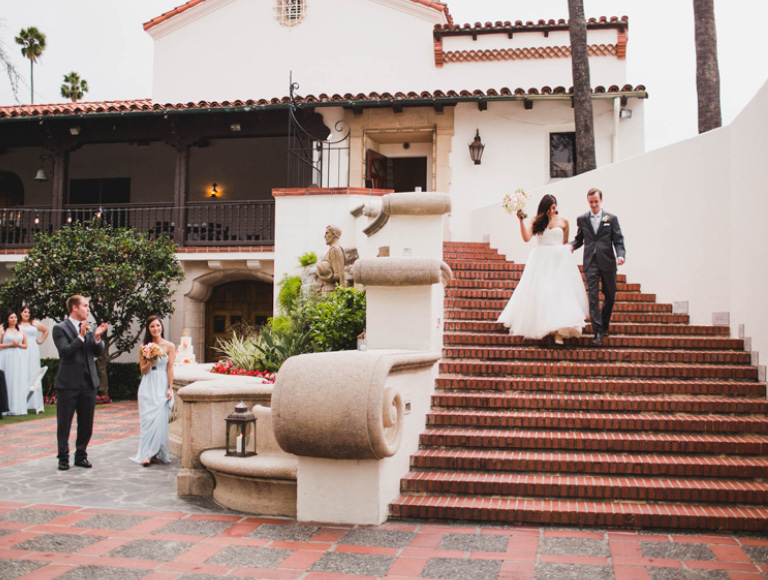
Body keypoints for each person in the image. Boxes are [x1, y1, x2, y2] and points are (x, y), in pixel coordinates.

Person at [497, 195, 588, 344]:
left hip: (559, 261)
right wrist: (520, 220)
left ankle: (559, 330)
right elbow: (526, 238)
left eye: (555, 207)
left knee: (559, 294)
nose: (554, 210)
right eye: (551, 208)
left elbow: (565, 243)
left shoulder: (563, 221)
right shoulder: (536, 221)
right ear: (545, 208)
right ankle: (546, 327)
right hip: (541, 261)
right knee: (543, 293)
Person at [52, 295, 108, 471]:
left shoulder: (89, 328)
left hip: (88, 383)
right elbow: (66, 352)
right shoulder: (59, 328)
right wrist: (81, 336)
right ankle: (63, 457)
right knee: (64, 423)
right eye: (85, 306)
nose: (88, 309)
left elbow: (98, 352)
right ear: (74, 308)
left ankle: (81, 455)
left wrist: (97, 337)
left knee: (86, 423)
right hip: (68, 383)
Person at [571, 187, 626, 345]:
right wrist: (572, 246)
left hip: (608, 261)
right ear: (588, 202)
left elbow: (618, 239)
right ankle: (597, 331)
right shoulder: (582, 219)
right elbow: (579, 239)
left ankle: (604, 325)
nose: (593, 205)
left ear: (601, 200)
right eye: (591, 202)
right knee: (593, 297)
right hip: (591, 262)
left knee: (610, 295)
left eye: (596, 201)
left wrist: (620, 255)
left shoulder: (610, 218)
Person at [130, 315, 175, 467]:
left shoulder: (169, 346)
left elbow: (170, 368)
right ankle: (146, 454)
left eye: (158, 325)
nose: (156, 328)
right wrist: (150, 362)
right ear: (148, 330)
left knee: (160, 421)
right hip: (148, 384)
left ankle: (156, 453)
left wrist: (170, 387)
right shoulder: (144, 347)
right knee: (148, 421)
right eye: (152, 326)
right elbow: (143, 370)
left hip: (162, 384)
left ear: (161, 327)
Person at [19, 305, 49, 414]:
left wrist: (41, 341)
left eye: (28, 312)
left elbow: (46, 330)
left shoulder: (35, 323)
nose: (26, 314)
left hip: (33, 349)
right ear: (20, 313)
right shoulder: (18, 325)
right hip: (22, 348)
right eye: (24, 312)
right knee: (23, 373)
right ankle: (22, 402)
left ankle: (36, 403)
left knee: (34, 372)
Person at [0, 311, 29, 416]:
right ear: (7, 319)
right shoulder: (3, 329)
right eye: (11, 317)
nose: (13, 319)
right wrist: (10, 344)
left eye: (15, 317)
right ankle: (5, 406)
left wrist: (18, 345)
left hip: (18, 356)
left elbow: (25, 345)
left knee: (17, 379)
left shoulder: (21, 330)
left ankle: (17, 407)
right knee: (7, 379)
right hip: (6, 356)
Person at [316, 225, 346, 294]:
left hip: (332, 292)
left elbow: (339, 275)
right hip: (328, 291)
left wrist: (322, 271)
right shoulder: (333, 249)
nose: (324, 236)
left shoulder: (334, 249)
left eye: (327, 233)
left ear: (333, 234)